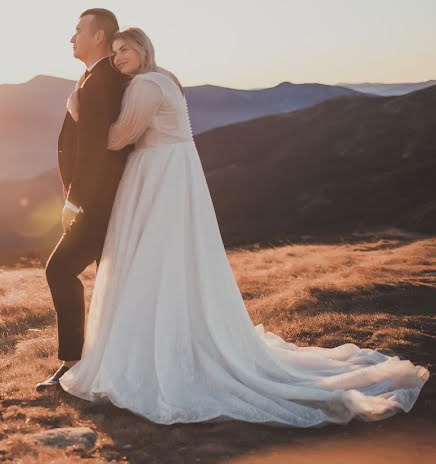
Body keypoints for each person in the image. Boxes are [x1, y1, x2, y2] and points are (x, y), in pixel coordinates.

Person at [53, 26, 430, 425]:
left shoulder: (146, 85)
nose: (119, 57)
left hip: (155, 175)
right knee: (167, 258)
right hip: (173, 173)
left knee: (150, 256)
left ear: (144, 49)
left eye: (126, 49)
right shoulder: (166, 79)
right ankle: (167, 334)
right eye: (114, 52)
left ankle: (152, 348)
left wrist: (78, 109)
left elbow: (116, 139)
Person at [36, 8, 132, 391]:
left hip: (96, 201)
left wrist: (75, 201)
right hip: (99, 198)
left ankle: (73, 362)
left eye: (78, 30)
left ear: (99, 36)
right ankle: (107, 356)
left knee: (59, 271)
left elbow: (94, 148)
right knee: (111, 278)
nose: (71, 37)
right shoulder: (97, 77)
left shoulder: (101, 81)